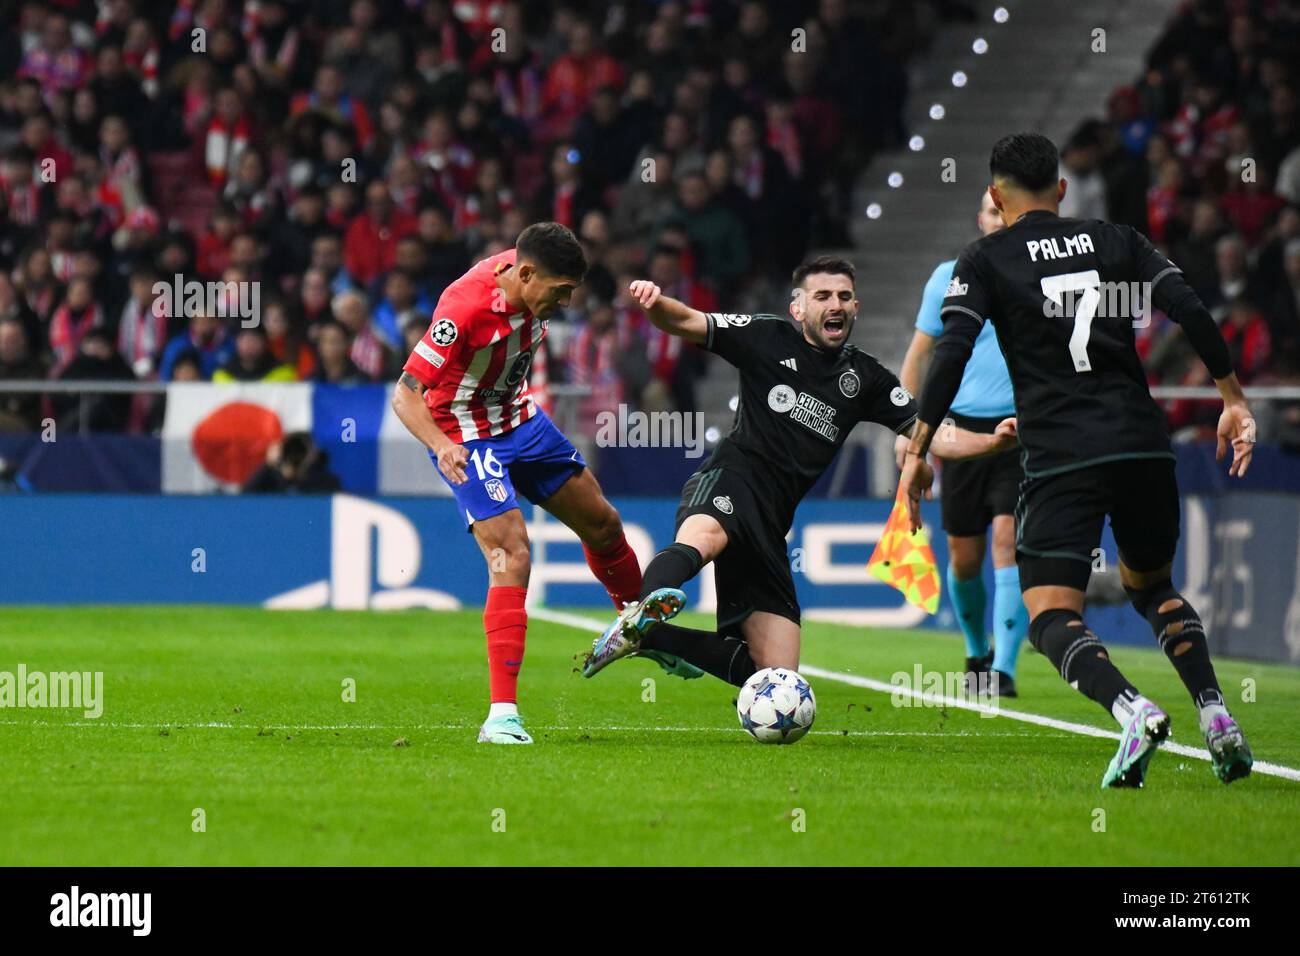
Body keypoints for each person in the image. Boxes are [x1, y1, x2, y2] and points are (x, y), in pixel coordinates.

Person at [899, 132, 1256, 788]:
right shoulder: (1117, 239)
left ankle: (1133, 711)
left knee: (1052, 615)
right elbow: (1188, 307)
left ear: (997, 196)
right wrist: (1231, 396)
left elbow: (949, 353)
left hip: (1062, 452)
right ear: (1060, 189)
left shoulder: (985, 257)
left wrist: (917, 445)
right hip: (1143, 443)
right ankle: (1217, 715)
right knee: (1153, 588)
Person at [582, 256, 1017, 686]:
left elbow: (933, 435)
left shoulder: (865, 378)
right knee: (706, 536)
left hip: (772, 525)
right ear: (798, 308)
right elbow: (688, 322)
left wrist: (993, 443)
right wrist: (655, 303)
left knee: (774, 676)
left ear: (855, 308)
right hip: (732, 479)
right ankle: (640, 611)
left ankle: (654, 637)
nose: (836, 304)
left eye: (845, 296)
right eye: (823, 295)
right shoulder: (766, 336)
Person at [390, 222, 656, 745]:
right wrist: (443, 446)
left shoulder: (533, 266)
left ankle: (639, 628)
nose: (564, 302)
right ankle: (501, 715)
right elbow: (405, 393)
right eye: (559, 293)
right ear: (526, 274)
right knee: (512, 553)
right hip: (467, 435)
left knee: (603, 523)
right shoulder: (464, 307)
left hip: (521, 420)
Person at [898, 191, 1029, 696]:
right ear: (980, 219)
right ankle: (978, 652)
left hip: (1020, 430)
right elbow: (918, 356)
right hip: (958, 433)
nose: (999, 221)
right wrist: (908, 428)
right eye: (992, 212)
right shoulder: (948, 276)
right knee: (963, 556)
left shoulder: (1037, 277)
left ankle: (1006, 670)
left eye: (1007, 213)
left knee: (1006, 543)